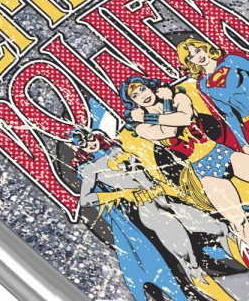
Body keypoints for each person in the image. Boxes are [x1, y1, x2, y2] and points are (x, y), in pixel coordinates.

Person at [70, 126, 234, 300]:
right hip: (149, 210)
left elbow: (148, 171)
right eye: (83, 143)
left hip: (166, 200)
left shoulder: (118, 149)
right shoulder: (91, 169)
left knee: (221, 228)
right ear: (79, 148)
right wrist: (121, 194)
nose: (90, 144)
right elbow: (85, 200)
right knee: (189, 260)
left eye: (89, 138)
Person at [120, 76, 249, 269]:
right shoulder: (142, 128)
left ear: (151, 87)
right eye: (135, 96)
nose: (142, 96)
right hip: (204, 170)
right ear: (133, 103)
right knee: (239, 221)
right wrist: (161, 106)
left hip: (222, 153)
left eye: (142, 89)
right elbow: (170, 131)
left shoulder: (179, 98)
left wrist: (163, 103)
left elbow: (184, 118)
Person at [178, 38, 249, 152]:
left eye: (198, 51)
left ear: (205, 47)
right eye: (191, 57)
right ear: (189, 62)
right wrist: (243, 143)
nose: (198, 57)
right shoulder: (203, 84)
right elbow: (229, 114)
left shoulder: (231, 60)